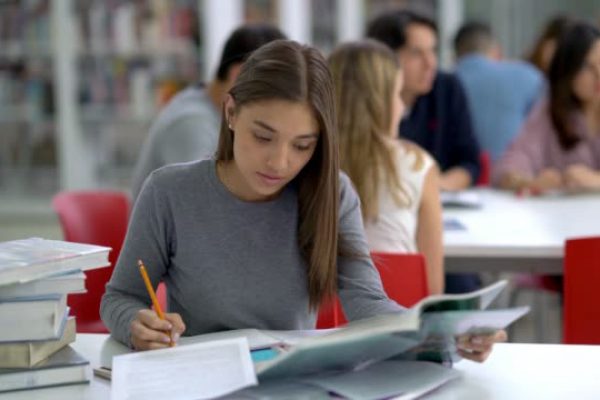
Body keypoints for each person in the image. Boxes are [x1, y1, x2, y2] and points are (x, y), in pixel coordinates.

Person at [100, 40, 504, 361]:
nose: (280, 162)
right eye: (263, 136)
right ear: (231, 113)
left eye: (302, 145)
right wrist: (135, 324)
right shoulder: (169, 192)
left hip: (291, 382)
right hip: (202, 378)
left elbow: (366, 301)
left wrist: (447, 334)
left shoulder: (333, 192)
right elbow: (119, 297)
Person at [328, 40, 444, 295]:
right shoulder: (418, 165)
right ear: (379, 102)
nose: (402, 108)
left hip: (318, 327)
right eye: (398, 94)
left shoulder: (306, 161)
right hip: (399, 321)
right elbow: (433, 289)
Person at [131, 24, 286, 199]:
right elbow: (197, 207)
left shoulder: (205, 98)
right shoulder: (193, 125)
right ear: (239, 75)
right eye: (272, 89)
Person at [366, 9, 481, 192]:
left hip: (441, 201)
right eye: (416, 53)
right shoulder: (363, 99)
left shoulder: (448, 88)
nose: (430, 63)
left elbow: (470, 162)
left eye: (433, 51)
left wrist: (437, 186)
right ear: (384, 58)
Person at [494, 21, 600, 193]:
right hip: (570, 216)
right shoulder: (549, 112)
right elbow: (508, 167)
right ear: (567, 70)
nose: (598, 74)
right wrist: (528, 181)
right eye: (587, 66)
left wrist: (594, 180)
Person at [454, 21, 544, 162]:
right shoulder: (529, 76)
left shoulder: (443, 84)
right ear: (496, 49)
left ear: (456, 54)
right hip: (514, 177)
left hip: (457, 178)